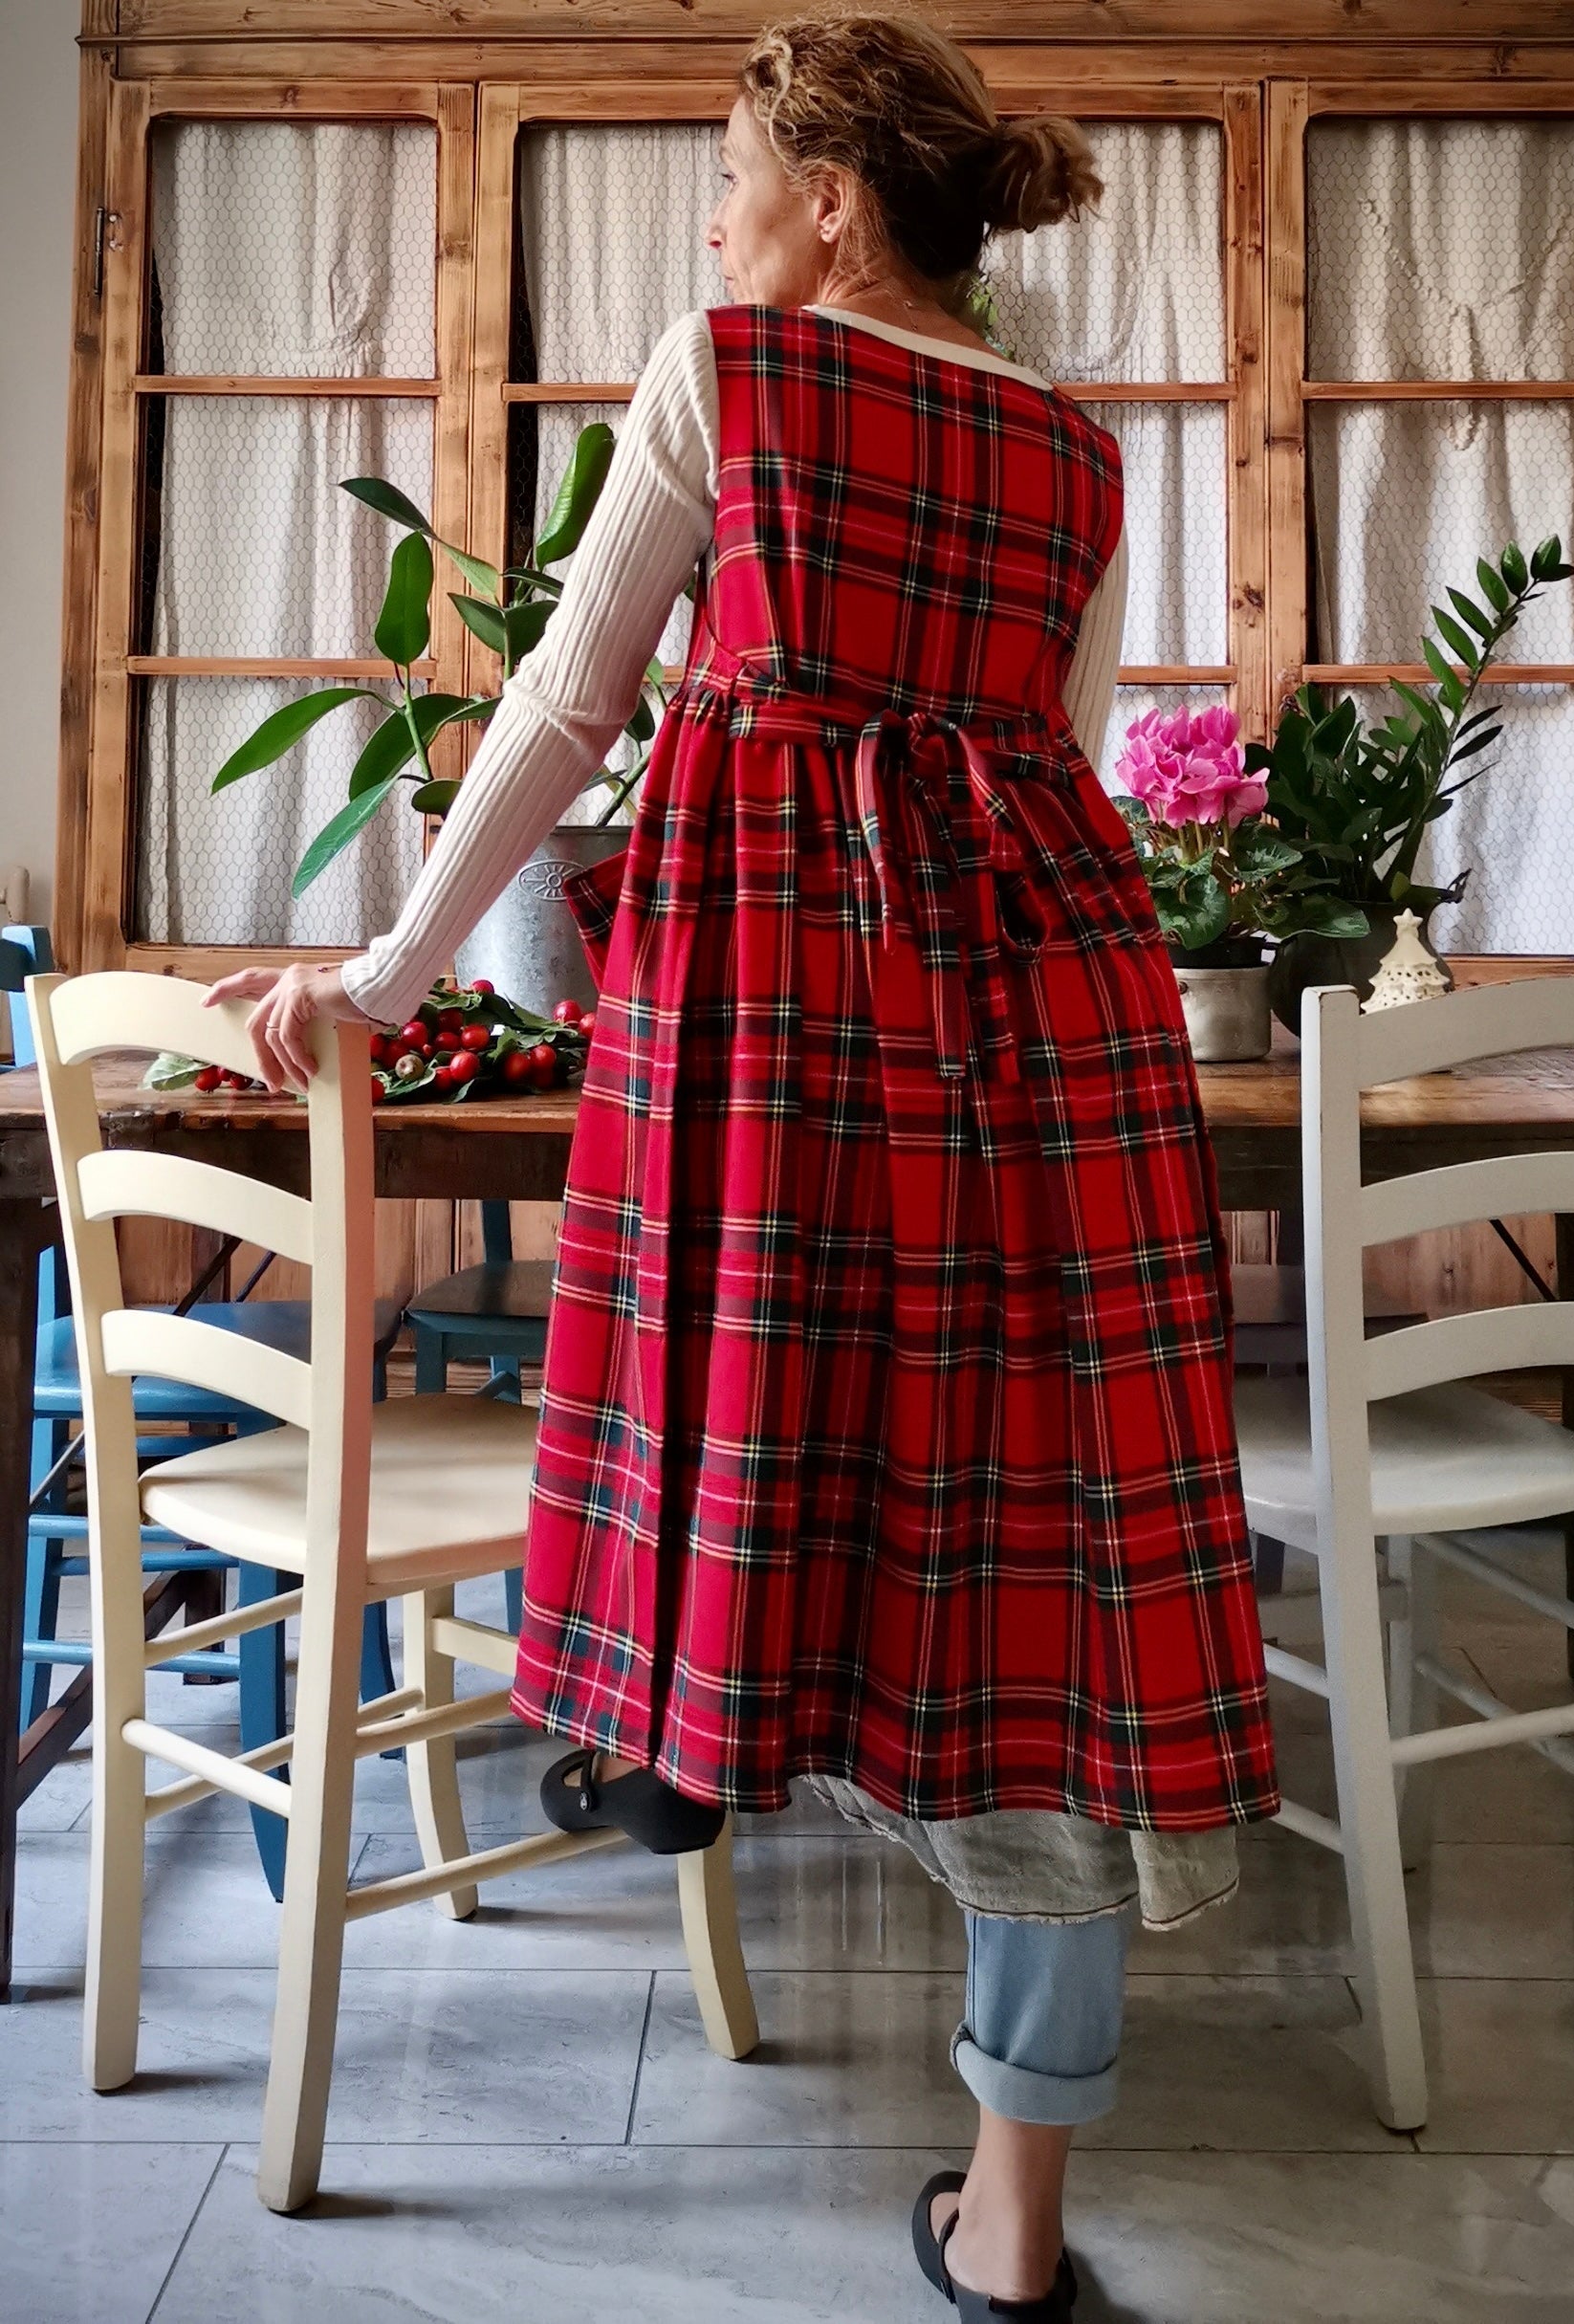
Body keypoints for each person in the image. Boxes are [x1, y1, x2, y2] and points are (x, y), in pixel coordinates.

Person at [210, 14, 1277, 2316]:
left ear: (828, 197)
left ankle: (688, 1728)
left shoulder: (735, 370)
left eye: (728, 180)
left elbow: (567, 699)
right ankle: (1017, 2222)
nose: (714, 226)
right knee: (1037, 1554)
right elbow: (1068, 751)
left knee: (742, 1388)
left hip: (783, 1009)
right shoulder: (1078, 451)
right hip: (1046, 1023)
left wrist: (383, 975)